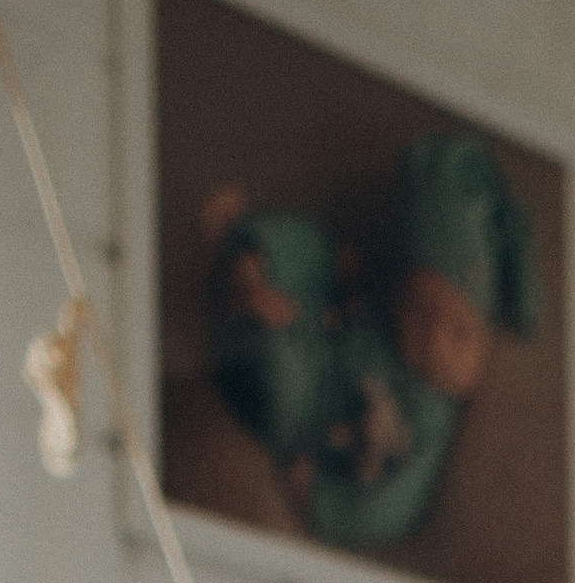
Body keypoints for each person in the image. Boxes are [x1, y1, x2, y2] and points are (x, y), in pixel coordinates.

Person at [205, 128, 540, 555]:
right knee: (285, 334)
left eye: (460, 333)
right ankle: (244, 262)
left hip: (322, 453)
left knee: (280, 393)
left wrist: (321, 501)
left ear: (485, 355)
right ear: (398, 294)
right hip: (308, 354)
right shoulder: (372, 307)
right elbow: (323, 263)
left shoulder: (430, 418)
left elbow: (396, 504)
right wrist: (267, 263)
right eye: (419, 310)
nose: (433, 342)